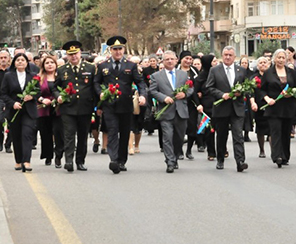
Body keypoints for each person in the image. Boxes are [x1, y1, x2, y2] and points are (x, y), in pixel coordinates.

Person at [93, 36, 146, 174]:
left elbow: (140, 82)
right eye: (115, 49)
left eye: (120, 49)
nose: (118, 52)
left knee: (124, 133)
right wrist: (100, 93)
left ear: (124, 49)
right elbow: (96, 82)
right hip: (109, 105)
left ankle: (122, 160)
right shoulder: (103, 66)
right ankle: (114, 160)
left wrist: (142, 95)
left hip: (125, 105)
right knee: (112, 131)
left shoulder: (131, 66)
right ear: (110, 50)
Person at [206, 46, 253, 172]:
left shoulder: (241, 70)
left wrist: (240, 92)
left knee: (238, 135)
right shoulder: (214, 70)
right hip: (221, 108)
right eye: (225, 55)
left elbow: (247, 87)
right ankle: (220, 159)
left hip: (237, 108)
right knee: (222, 135)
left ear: (234, 57)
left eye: (230, 55)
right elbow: (209, 87)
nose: (227, 57)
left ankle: (240, 161)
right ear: (222, 56)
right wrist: (221, 95)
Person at [53, 41, 96, 172]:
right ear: (67, 55)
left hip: (85, 107)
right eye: (70, 54)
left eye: (76, 53)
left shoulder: (90, 68)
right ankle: (69, 161)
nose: (74, 57)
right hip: (68, 108)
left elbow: (94, 87)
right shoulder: (62, 70)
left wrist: (97, 105)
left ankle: (80, 161)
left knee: (83, 136)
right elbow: (55, 87)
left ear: (80, 53)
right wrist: (58, 96)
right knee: (69, 135)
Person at [149, 50, 192, 173]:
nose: (169, 61)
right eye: (167, 59)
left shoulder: (183, 75)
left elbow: (190, 88)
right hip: (166, 111)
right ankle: (170, 161)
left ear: (176, 60)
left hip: (181, 111)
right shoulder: (156, 76)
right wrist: (164, 98)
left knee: (179, 137)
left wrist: (184, 94)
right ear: (162, 61)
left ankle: (175, 156)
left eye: (172, 59)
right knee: (167, 137)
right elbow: (152, 91)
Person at [258, 49, 296, 168]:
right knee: (275, 131)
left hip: (288, 107)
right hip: (274, 107)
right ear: (274, 59)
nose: (281, 60)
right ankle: (277, 156)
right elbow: (262, 90)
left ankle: (285, 156)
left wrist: (291, 93)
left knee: (286, 132)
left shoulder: (291, 72)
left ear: (286, 59)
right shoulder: (268, 73)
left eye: (283, 58)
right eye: (279, 57)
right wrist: (267, 99)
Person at [0, 53, 40, 172]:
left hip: (29, 110)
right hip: (14, 111)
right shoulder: (8, 76)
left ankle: (26, 161)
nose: (20, 62)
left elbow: (39, 91)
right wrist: (12, 103)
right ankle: (18, 160)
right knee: (16, 136)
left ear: (27, 63)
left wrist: (32, 97)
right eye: (18, 60)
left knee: (27, 134)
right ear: (14, 63)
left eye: (23, 60)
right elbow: (3, 93)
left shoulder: (33, 76)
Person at [35, 55, 64, 167]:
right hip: (44, 108)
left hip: (58, 109)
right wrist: (42, 99)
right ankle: (48, 155)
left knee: (58, 132)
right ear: (43, 65)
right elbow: (35, 92)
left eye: (52, 62)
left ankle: (58, 156)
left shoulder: (61, 76)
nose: (50, 65)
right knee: (45, 133)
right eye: (47, 63)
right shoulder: (38, 78)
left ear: (56, 64)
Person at [192, 54, 217, 161]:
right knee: (209, 130)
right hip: (207, 106)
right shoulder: (201, 76)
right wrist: (199, 104)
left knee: (222, 129)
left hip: (219, 103)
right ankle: (211, 152)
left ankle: (222, 149)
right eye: (214, 61)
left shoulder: (218, 73)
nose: (216, 63)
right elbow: (194, 92)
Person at [178, 50, 199, 160]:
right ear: (181, 59)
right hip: (178, 102)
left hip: (192, 103)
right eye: (186, 58)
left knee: (192, 127)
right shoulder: (176, 70)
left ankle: (189, 150)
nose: (188, 61)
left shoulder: (194, 71)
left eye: (190, 59)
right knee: (179, 128)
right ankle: (179, 150)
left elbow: (198, 85)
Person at [251, 56, 271, 158]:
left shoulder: (272, 75)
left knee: (272, 129)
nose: (263, 64)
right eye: (260, 63)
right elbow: (250, 92)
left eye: (265, 62)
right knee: (260, 129)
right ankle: (262, 150)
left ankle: (274, 151)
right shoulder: (254, 77)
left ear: (268, 64)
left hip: (271, 104)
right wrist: (253, 102)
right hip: (259, 105)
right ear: (257, 66)